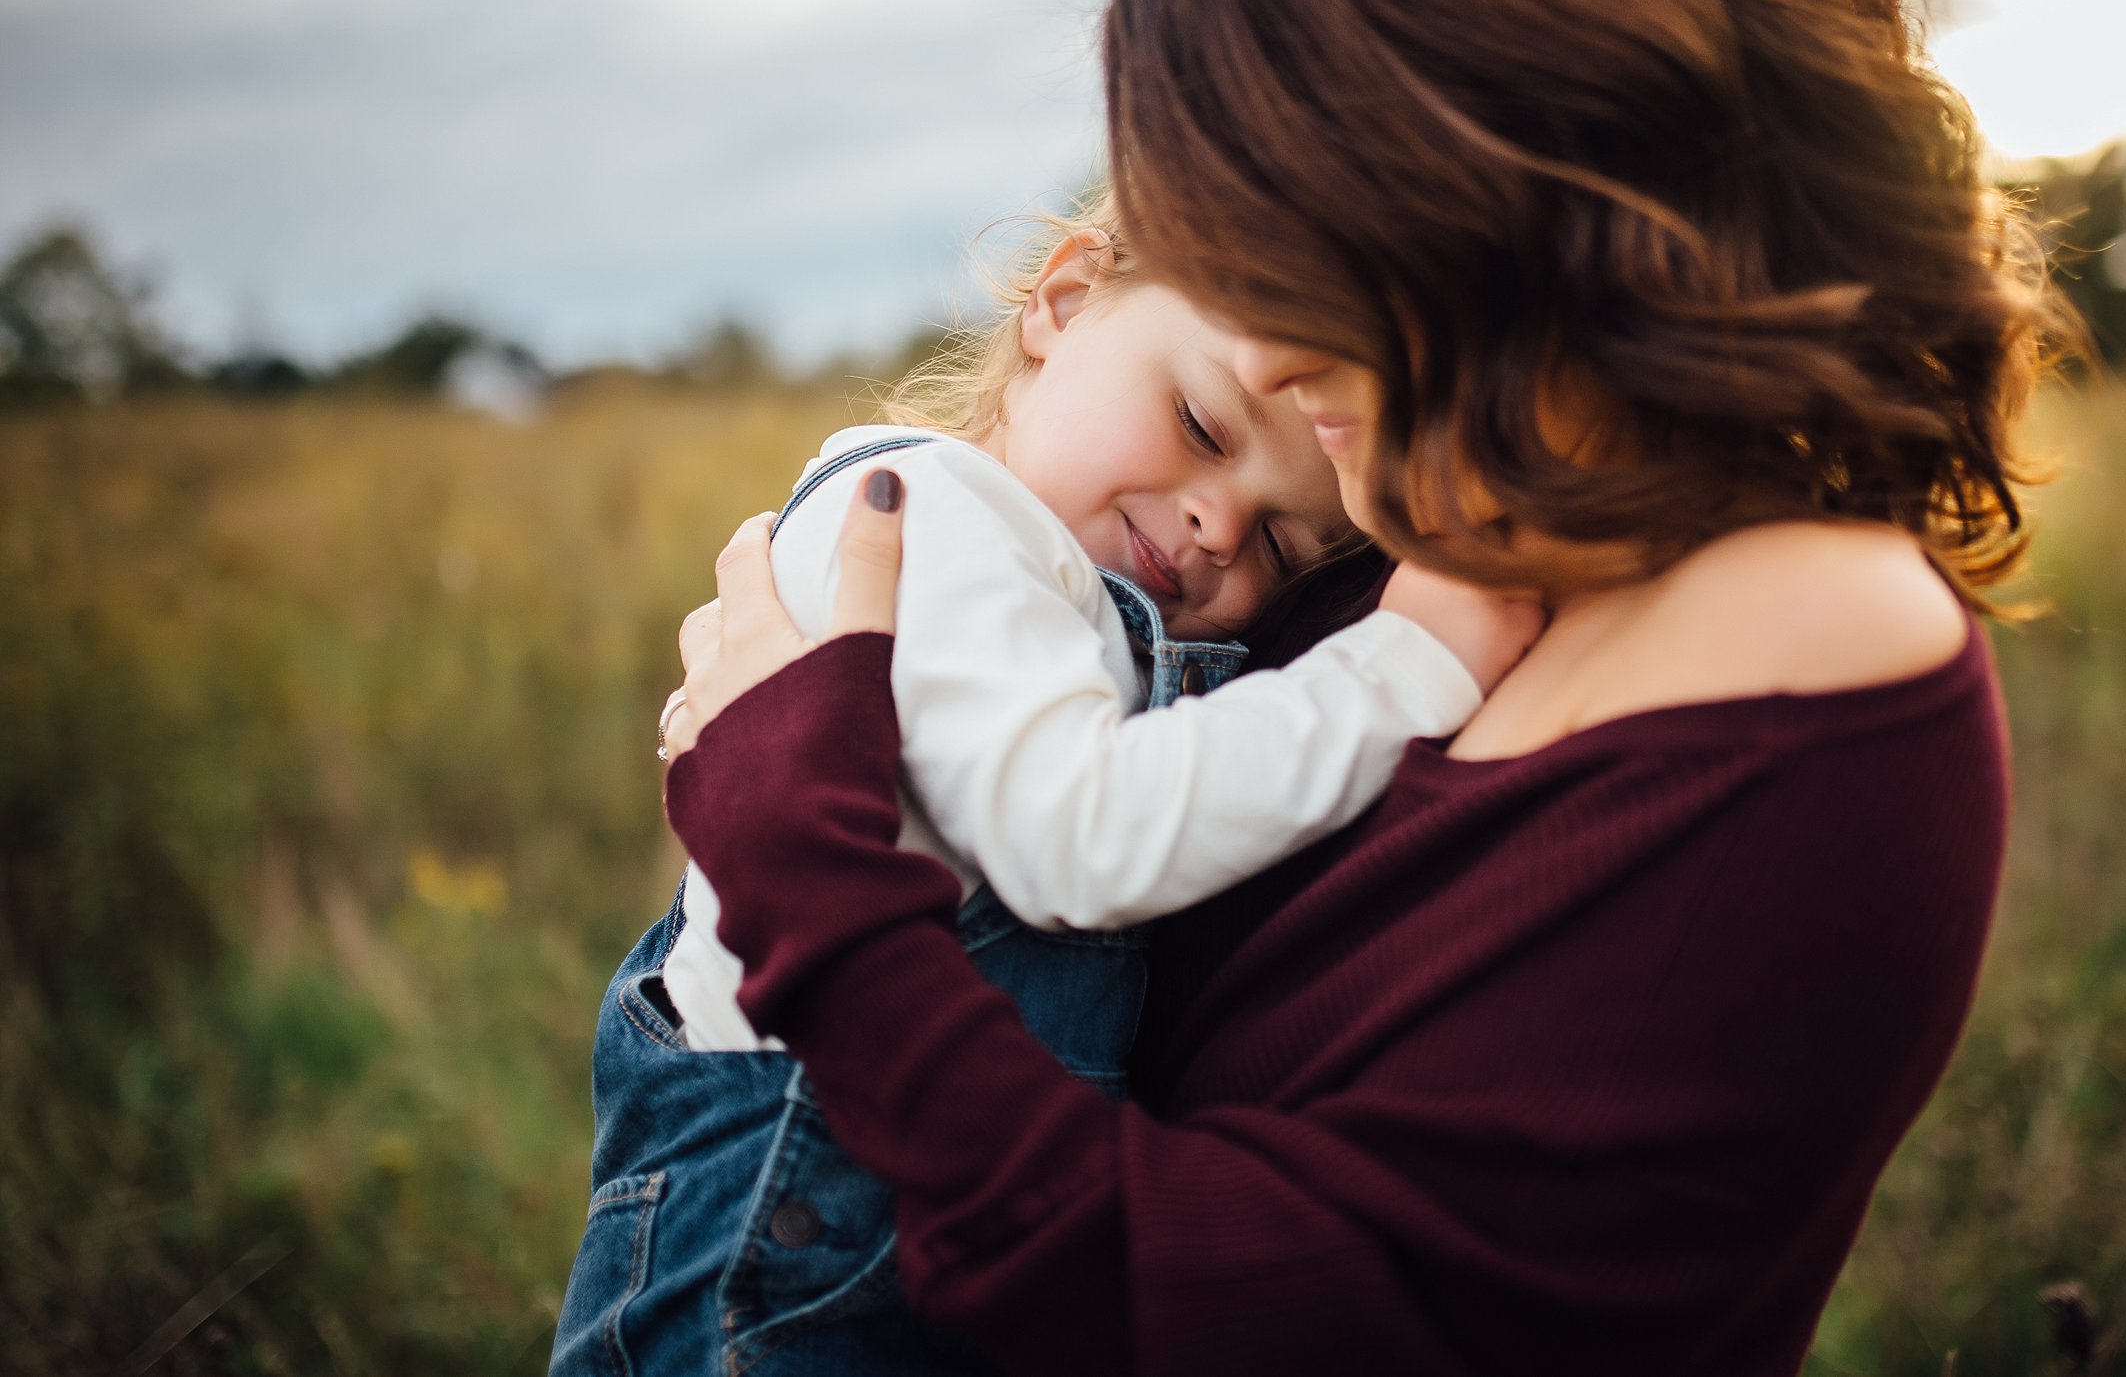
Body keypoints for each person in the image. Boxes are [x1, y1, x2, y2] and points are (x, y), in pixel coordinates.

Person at [657, 0, 2081, 1370]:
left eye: (1293, 226)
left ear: (1519, 158)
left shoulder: (1807, 658)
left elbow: (1227, 1308)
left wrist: (807, 872)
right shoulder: (1399, 535)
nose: (1260, 353)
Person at [551, 199, 1540, 1377]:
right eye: (1201, 425)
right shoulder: (943, 521)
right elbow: (1074, 831)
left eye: (1282, 544)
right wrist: (1404, 663)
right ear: (1065, 300)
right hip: (788, 1226)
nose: (1218, 524)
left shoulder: (1052, 581)